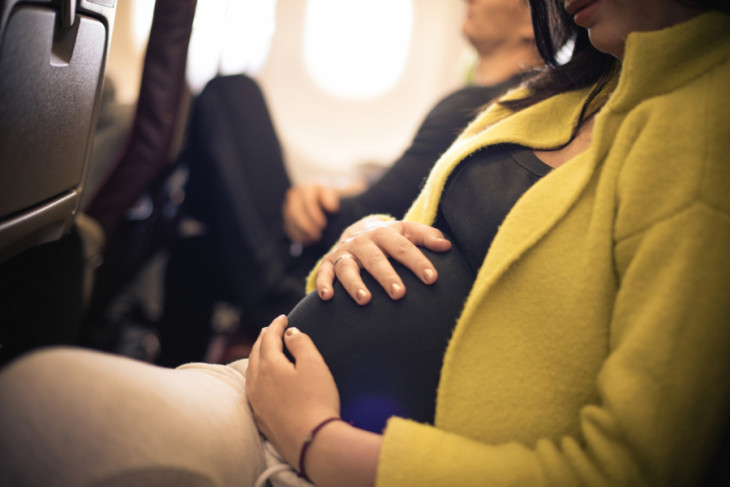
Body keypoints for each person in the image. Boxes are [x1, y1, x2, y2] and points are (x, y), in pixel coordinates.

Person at [1, 2, 729, 487]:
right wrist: (360, 232)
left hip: (349, 451)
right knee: (40, 401)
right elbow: (415, 221)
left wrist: (322, 440)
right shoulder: (550, 95)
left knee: (227, 102)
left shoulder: (702, 128)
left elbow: (628, 468)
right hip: (278, 381)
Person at [155, 0, 544, 365]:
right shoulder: (510, 105)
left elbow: (366, 217)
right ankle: (171, 374)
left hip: (314, 290)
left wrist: (318, 201)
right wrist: (348, 183)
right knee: (196, 254)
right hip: (349, 288)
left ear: (532, 20)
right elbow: (409, 189)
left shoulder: (478, 107)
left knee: (231, 94)